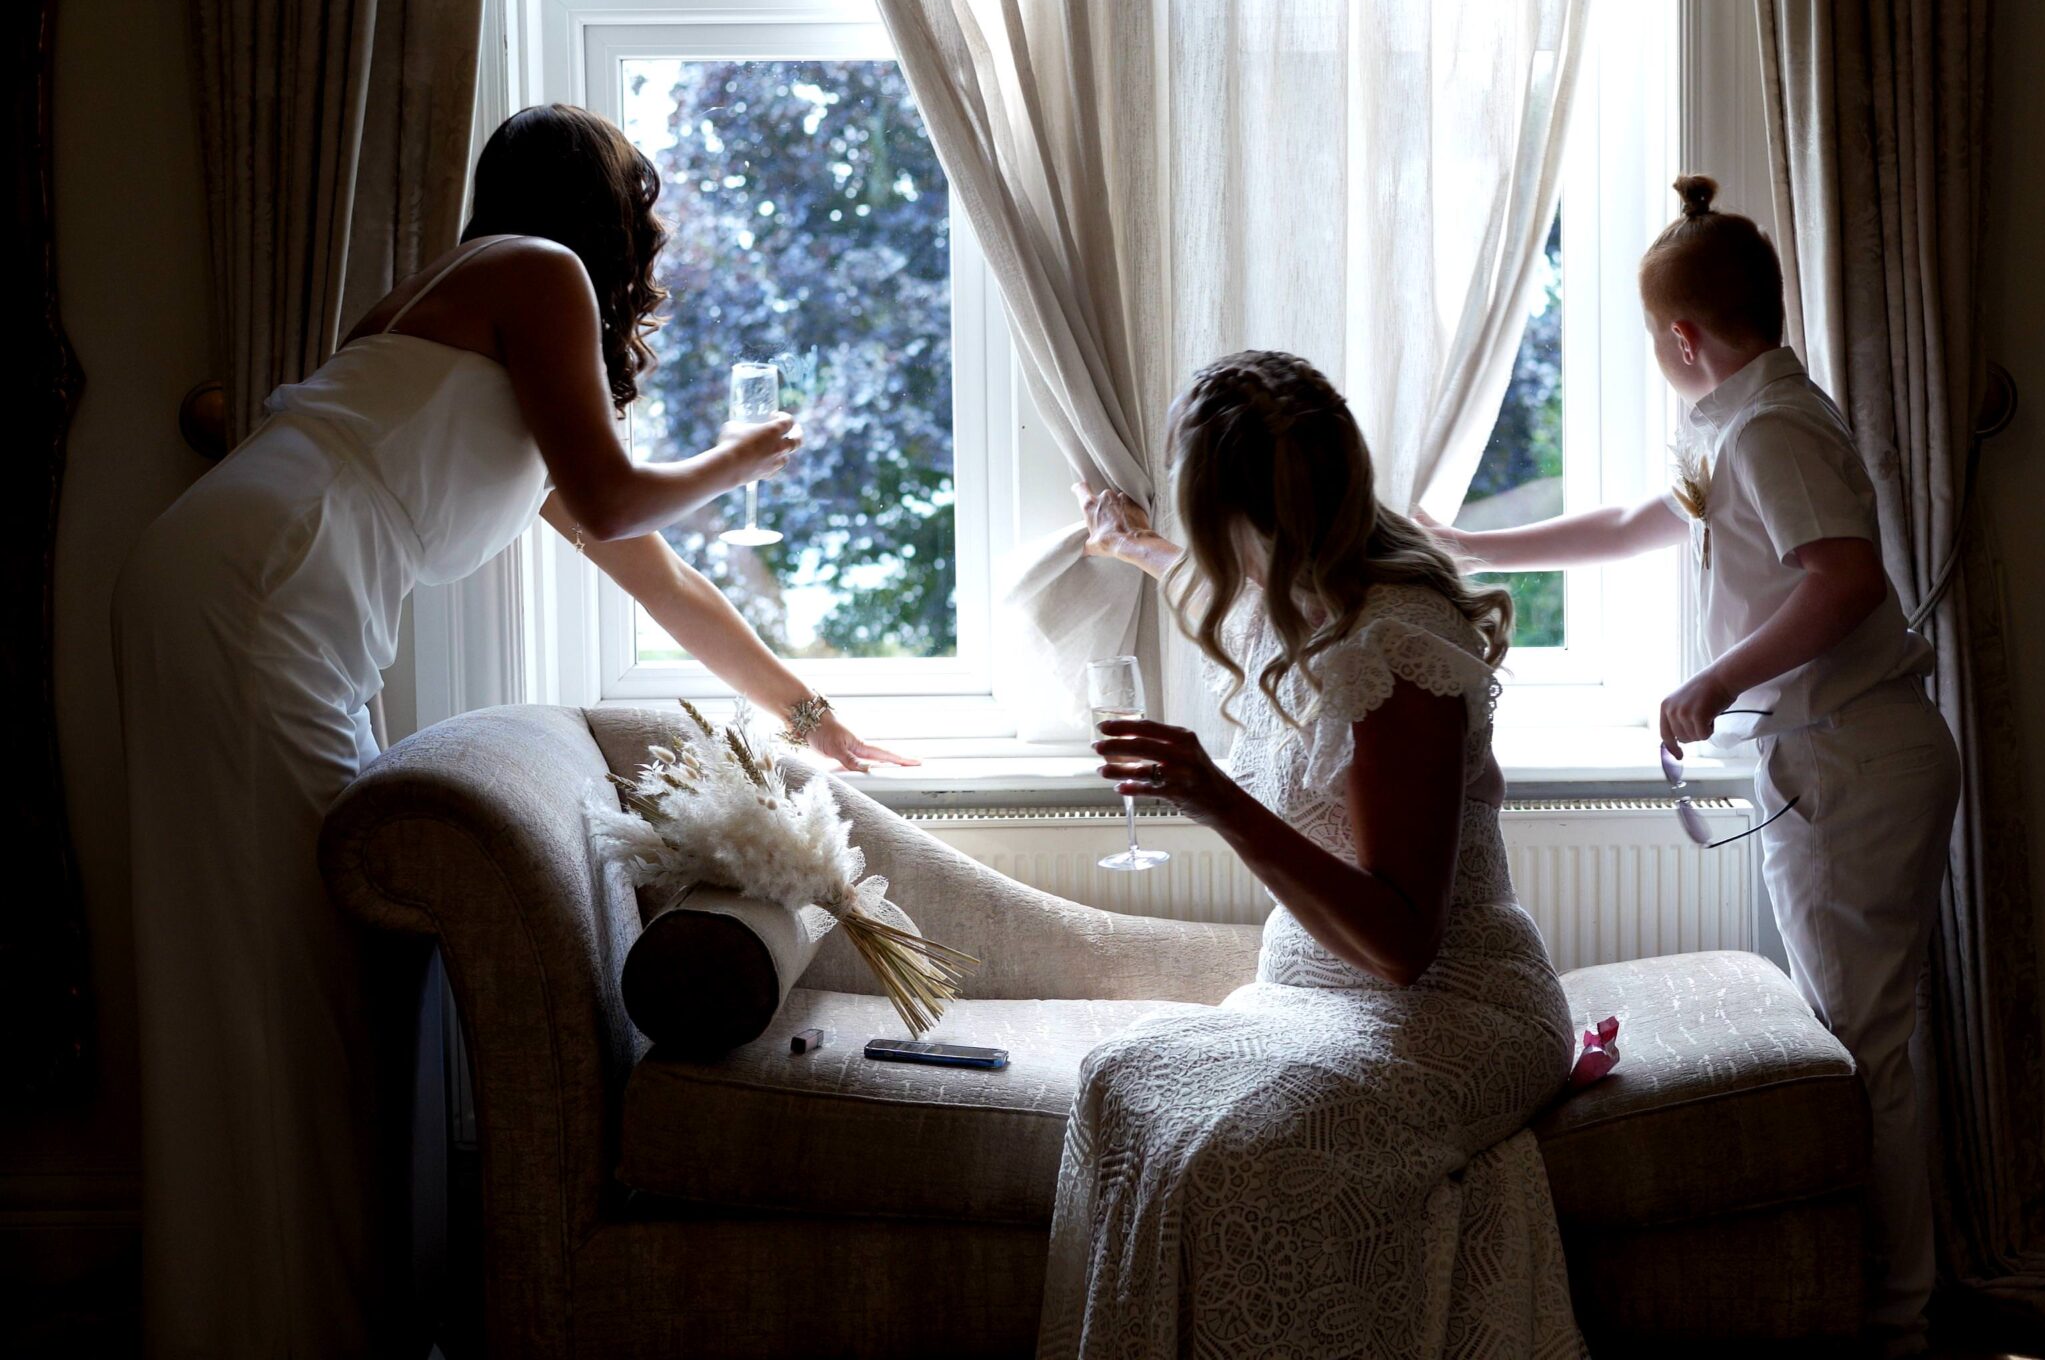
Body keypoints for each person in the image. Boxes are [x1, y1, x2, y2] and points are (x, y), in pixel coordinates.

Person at [111, 103, 912, 1357]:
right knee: (292, 974)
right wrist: (738, 460)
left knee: (285, 966)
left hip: (253, 584)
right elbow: (616, 497)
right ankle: (282, 1321)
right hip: (259, 592)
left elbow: (656, 577)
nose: (652, 232)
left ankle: (286, 1308)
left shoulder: (489, 325)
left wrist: (813, 715)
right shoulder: (535, 273)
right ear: (600, 209)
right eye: (641, 200)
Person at [1423, 175, 1960, 1356]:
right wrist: (1468, 544)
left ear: (1678, 335)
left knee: (1867, 1045)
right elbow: (1633, 526)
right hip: (1829, 755)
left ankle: (1899, 1316)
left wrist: (1711, 682)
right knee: (1858, 1035)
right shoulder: (1733, 422)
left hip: (1854, 757)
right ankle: (1884, 1299)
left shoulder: (1769, 429)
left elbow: (1844, 579)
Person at [1050, 350, 1584, 1358]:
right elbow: (1215, 590)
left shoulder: (1398, 650)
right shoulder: (1295, 600)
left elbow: (1402, 947)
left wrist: (1216, 799)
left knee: (1245, 1161)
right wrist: (1135, 546)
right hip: (1307, 998)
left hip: (1454, 1007)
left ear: (1241, 521)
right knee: (1117, 1081)